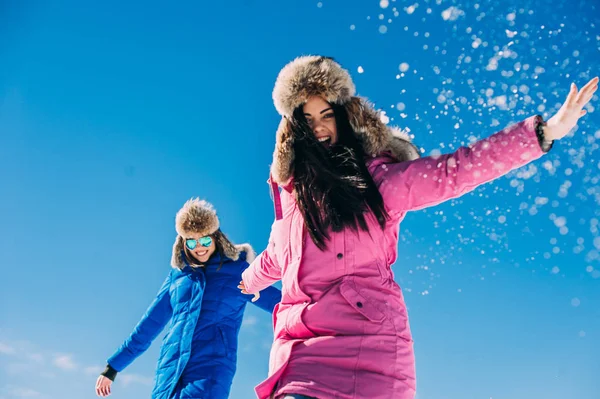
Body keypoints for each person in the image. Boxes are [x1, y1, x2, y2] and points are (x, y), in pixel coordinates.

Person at [239, 55, 598, 399]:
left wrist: (541, 133)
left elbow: (453, 172)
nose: (318, 127)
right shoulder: (292, 199)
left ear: (343, 117)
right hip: (299, 354)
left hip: (365, 348)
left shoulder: (376, 183)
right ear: (294, 128)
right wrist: (245, 281)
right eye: (308, 118)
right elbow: (275, 257)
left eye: (326, 115)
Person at [95, 198, 282, 399]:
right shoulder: (178, 277)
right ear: (183, 242)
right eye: (192, 241)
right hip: (170, 370)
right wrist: (113, 367)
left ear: (216, 238)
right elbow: (149, 324)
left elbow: (283, 304)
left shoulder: (238, 272)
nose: (199, 247)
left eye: (205, 240)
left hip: (211, 368)